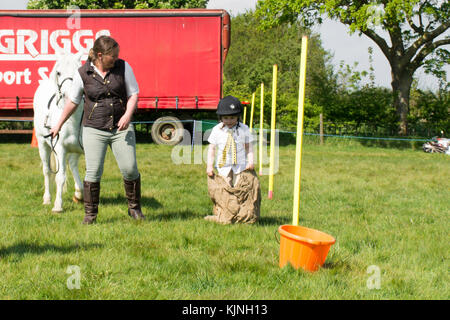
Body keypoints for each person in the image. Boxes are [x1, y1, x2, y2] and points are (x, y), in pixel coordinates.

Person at [50, 36, 144, 224]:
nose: (117, 58)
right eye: (113, 56)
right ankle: (90, 215)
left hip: (121, 127)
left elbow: (134, 94)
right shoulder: (82, 73)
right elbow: (73, 101)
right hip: (94, 128)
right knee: (93, 172)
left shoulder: (124, 67)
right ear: (100, 56)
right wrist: (58, 124)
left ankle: (134, 209)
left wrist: (127, 115)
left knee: (130, 168)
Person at [205, 95, 261, 224]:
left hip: (240, 165)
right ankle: (224, 214)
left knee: (240, 190)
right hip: (223, 165)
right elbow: (212, 149)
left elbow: (249, 147)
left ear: (238, 116)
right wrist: (209, 166)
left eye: (232, 118)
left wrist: (251, 161)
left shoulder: (244, 129)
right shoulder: (216, 130)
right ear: (221, 118)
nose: (229, 121)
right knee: (224, 189)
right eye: (226, 118)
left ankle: (241, 215)